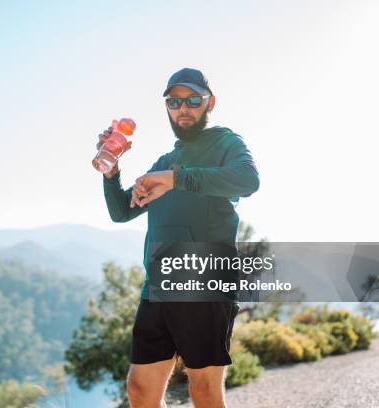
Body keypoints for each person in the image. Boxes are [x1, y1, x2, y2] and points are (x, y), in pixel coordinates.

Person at [97, 68, 259, 408]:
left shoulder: (225, 142)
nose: (183, 108)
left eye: (192, 100)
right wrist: (112, 174)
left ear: (208, 103)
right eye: (174, 102)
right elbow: (122, 211)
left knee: (203, 389)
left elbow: (247, 180)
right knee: (140, 389)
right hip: (158, 286)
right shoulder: (166, 161)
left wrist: (176, 179)